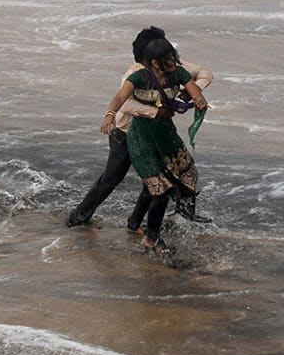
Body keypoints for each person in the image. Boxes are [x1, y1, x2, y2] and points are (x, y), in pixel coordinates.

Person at [67, 27, 213, 227]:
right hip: (126, 133)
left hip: (154, 135)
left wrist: (190, 92)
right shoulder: (135, 73)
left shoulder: (172, 66)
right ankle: (79, 217)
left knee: (154, 181)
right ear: (150, 57)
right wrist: (156, 112)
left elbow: (204, 73)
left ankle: (135, 223)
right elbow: (124, 102)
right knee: (112, 178)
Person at [101, 38, 208, 253]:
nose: (171, 62)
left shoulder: (178, 73)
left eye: (172, 57)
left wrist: (198, 99)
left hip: (166, 136)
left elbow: (195, 90)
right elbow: (119, 97)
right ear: (153, 62)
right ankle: (151, 238)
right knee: (159, 190)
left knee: (188, 177)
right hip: (142, 139)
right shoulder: (138, 77)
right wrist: (110, 114)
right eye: (165, 59)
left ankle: (137, 223)